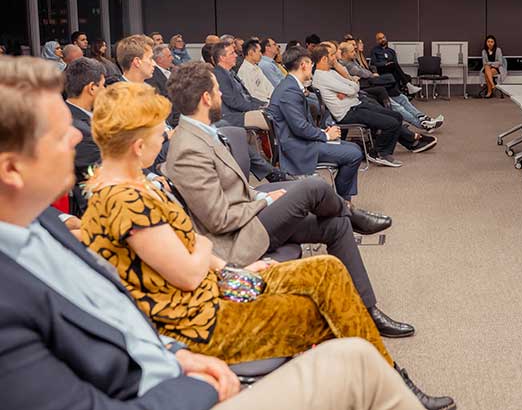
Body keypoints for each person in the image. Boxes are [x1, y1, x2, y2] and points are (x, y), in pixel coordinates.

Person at [0, 57, 446, 410]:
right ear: (140, 145)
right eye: (160, 130)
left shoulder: (132, 190)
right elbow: (195, 259)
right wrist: (214, 254)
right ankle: (388, 378)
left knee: (326, 270)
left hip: (206, 299)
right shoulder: (123, 200)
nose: (167, 134)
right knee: (322, 297)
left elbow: (189, 254)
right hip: (203, 316)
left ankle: (384, 375)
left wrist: (221, 262)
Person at [163, 63, 418, 341]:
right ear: (205, 98)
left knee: (335, 225)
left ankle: (368, 310)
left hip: (246, 215)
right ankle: (352, 213)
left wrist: (259, 195)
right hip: (237, 236)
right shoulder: (189, 147)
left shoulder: (203, 133)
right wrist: (264, 201)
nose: (222, 94)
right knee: (312, 186)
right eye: (217, 89)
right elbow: (219, 219)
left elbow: (229, 190)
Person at [312, 46, 436, 167]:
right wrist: (350, 89)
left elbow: (355, 86)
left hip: (356, 105)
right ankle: (379, 153)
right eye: (332, 55)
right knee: (391, 123)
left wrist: (349, 89)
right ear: (323, 59)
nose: (335, 58)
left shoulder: (331, 73)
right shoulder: (322, 77)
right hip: (347, 113)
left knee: (397, 116)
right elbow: (352, 88)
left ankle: (410, 143)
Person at [269, 47, 364, 200]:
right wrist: (325, 135)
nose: (312, 68)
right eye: (311, 64)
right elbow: (299, 127)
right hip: (298, 147)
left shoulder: (289, 86)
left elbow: (300, 124)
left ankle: (342, 199)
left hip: (300, 141)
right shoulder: (289, 91)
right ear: (303, 65)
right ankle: (342, 200)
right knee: (354, 154)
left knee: (353, 148)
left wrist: (322, 133)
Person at [339, 41, 442, 131]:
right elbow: (364, 73)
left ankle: (422, 117)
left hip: (372, 84)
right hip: (367, 89)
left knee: (402, 98)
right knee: (397, 106)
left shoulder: (353, 60)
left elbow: (367, 69)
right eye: (352, 50)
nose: (355, 51)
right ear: (344, 53)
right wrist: (371, 73)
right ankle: (422, 125)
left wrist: (370, 72)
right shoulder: (347, 65)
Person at [64, 57, 106, 214]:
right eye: (103, 85)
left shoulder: (68, 114)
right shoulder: (82, 132)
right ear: (92, 88)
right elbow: (97, 181)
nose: (105, 90)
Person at [209, 40, 267, 128]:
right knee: (271, 119)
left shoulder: (230, 72)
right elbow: (233, 102)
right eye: (232, 53)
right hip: (232, 116)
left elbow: (248, 97)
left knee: (274, 114)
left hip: (243, 111)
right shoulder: (218, 75)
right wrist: (258, 107)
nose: (236, 55)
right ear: (222, 58)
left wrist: (264, 104)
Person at [237, 39, 274, 103]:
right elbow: (251, 95)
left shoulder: (256, 68)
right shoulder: (244, 71)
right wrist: (268, 102)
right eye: (259, 51)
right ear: (250, 53)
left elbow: (269, 86)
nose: (261, 55)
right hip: (260, 105)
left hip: (268, 101)